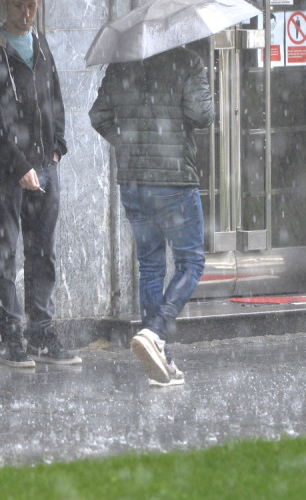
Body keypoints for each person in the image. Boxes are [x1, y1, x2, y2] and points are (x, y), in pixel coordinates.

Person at [0, 0, 80, 367]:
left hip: (45, 163)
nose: (26, 14)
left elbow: (55, 98)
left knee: (43, 252)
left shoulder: (41, 43)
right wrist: (17, 163)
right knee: (5, 252)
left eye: (32, 6)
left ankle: (41, 333)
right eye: (18, 6)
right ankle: (8, 336)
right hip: (5, 169)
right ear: (5, 3)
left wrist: (57, 148)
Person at [88, 46, 213, 387]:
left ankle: (160, 361)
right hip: (174, 182)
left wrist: (126, 143)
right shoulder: (188, 62)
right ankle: (155, 332)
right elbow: (202, 115)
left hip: (134, 184)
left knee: (151, 267)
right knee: (191, 263)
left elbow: (98, 115)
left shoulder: (121, 65)